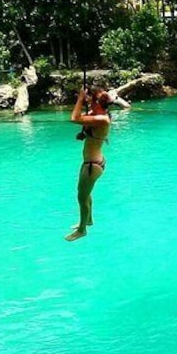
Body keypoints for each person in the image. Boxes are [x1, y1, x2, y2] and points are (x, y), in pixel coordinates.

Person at [66, 87, 113, 242]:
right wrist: (84, 133)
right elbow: (84, 121)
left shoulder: (102, 119)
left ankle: (82, 230)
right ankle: (89, 219)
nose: (90, 103)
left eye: (93, 101)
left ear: (99, 104)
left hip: (93, 165)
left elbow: (74, 118)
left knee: (82, 196)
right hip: (91, 163)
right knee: (86, 192)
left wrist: (80, 99)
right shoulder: (96, 115)